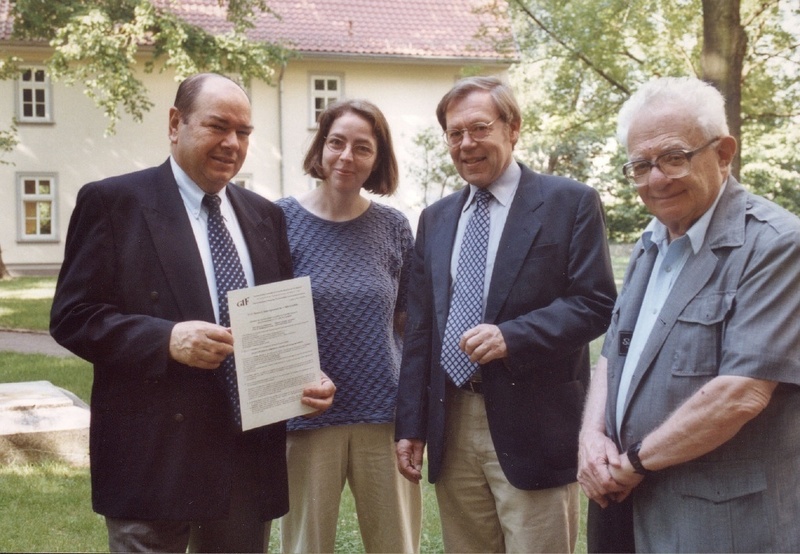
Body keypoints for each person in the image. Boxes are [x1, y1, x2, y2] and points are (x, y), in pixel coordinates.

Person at [49, 73, 335, 553]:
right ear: (175, 123)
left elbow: (273, 323)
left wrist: (302, 373)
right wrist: (165, 339)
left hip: (246, 455)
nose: (232, 143)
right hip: (153, 454)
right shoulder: (114, 202)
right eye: (218, 126)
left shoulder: (265, 216)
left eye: (244, 133)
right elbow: (73, 316)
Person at [394, 75, 617, 553]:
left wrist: (513, 336)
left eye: (479, 129)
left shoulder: (569, 202)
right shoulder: (436, 218)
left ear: (513, 128)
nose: (466, 144)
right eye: (455, 134)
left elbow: (595, 303)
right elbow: (421, 332)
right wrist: (411, 425)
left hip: (535, 423)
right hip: (453, 421)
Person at [577, 76, 800, 553]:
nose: (656, 178)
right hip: (622, 509)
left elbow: (740, 394)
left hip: (720, 525)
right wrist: (591, 436)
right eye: (640, 165)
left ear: (723, 153)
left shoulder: (775, 245)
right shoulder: (650, 242)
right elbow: (613, 355)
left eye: (674, 158)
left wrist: (633, 463)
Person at [277, 99, 420, 553]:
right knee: (305, 545)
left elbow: (410, 324)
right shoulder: (278, 221)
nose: (346, 156)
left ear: (377, 160)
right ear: (320, 149)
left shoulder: (393, 228)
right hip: (306, 414)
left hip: (384, 414)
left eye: (362, 147)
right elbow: (265, 322)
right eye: (336, 142)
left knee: (395, 544)